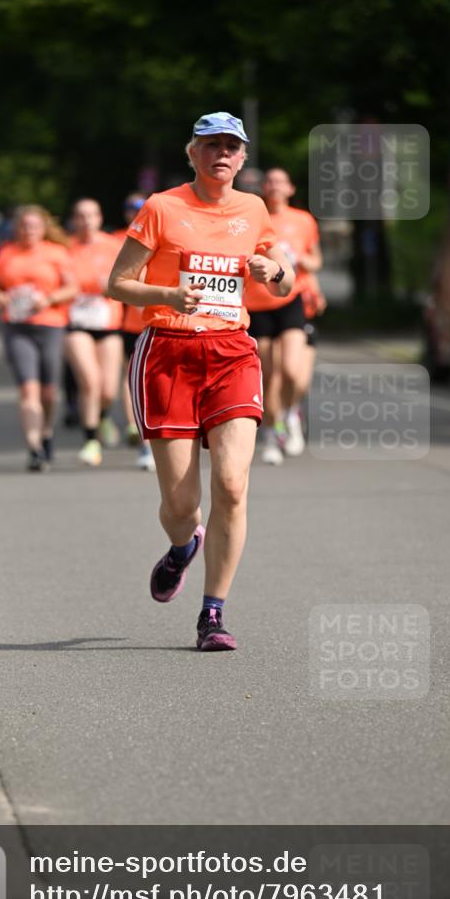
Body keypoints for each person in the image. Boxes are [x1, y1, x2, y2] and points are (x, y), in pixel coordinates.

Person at [108, 112, 294, 650]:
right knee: (181, 505)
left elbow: (286, 281)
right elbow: (118, 283)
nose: (222, 155)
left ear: (242, 157)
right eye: (211, 145)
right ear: (192, 153)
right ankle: (182, 547)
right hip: (168, 353)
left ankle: (213, 613)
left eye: (232, 147)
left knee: (233, 486)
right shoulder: (162, 207)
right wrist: (166, 296)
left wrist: (273, 273)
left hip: (232, 351)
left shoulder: (254, 209)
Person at [0, 205, 77, 470]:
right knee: (28, 388)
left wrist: (48, 299)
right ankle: (34, 447)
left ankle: (46, 431)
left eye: (33, 226)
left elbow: (72, 288)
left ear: (43, 228)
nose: (28, 230)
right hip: (17, 327)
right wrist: (1, 298)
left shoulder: (56, 253)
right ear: (16, 228)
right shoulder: (6, 253)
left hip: (50, 325)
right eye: (23, 226)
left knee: (48, 392)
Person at [245, 167, 322, 463]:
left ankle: (290, 415)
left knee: (291, 370)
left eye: (280, 181)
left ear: (290, 188)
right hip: (258, 303)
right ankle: (273, 431)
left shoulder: (303, 220)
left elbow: (316, 260)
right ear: (264, 187)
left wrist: (300, 259)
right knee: (268, 374)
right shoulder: (255, 219)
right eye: (270, 181)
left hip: (291, 299)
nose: (275, 186)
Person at [66, 199, 124, 467]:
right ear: (74, 220)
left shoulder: (114, 246)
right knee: (90, 380)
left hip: (108, 322)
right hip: (76, 323)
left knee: (108, 389)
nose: (86, 220)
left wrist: (112, 286)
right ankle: (90, 441)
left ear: (100, 218)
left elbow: (131, 277)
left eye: (91, 215)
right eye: (81, 215)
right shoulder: (65, 248)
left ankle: (102, 416)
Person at [111, 193, 156, 472]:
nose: (135, 213)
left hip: (161, 319)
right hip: (127, 321)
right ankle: (140, 436)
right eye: (131, 209)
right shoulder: (116, 240)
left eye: (140, 209)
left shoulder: (165, 235)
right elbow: (113, 280)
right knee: (133, 377)